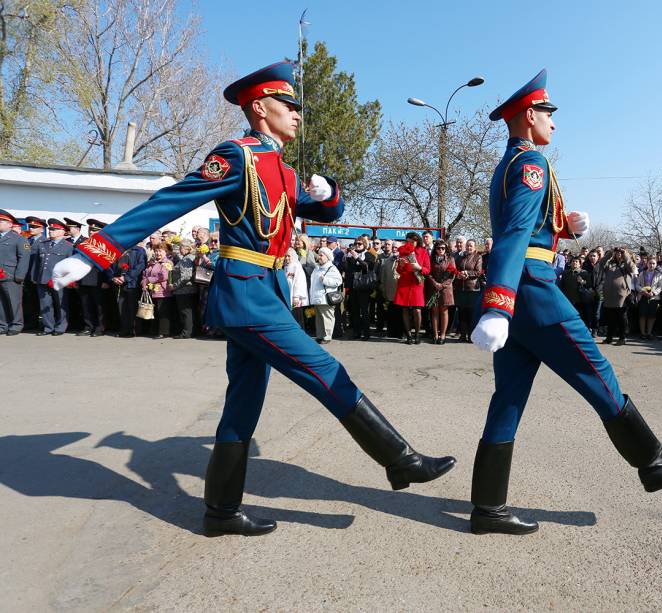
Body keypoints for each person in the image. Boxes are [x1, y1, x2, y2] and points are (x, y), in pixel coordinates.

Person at [52, 61, 455, 536]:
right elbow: (174, 199)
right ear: (260, 108)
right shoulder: (237, 156)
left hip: (268, 289)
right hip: (245, 291)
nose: (298, 114)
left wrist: (329, 199)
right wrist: (97, 250)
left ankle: (220, 512)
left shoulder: (280, 168)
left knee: (243, 402)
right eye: (289, 105)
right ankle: (399, 458)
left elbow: (312, 207)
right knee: (326, 370)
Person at [468, 69, 662, 535]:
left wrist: (563, 229)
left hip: (522, 288)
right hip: (533, 290)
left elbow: (526, 229)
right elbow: (513, 234)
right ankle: (653, 460)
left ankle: (487, 508)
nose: (554, 123)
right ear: (530, 114)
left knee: (508, 400)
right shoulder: (532, 165)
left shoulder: (512, 163)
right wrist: (499, 303)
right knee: (598, 371)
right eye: (549, 113)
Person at [32, 218, 73, 335]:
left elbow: (70, 265)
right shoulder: (43, 245)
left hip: (58, 281)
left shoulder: (68, 247)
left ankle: (60, 327)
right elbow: (37, 264)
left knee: (61, 305)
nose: (51, 231)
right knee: (45, 305)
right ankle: (48, 327)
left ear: (63, 231)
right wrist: (35, 278)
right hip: (43, 279)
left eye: (54, 229)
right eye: (50, 229)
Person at [393, 231, 430, 345]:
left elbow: (428, 270)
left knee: (417, 310)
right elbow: (399, 270)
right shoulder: (403, 252)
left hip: (417, 284)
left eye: (412, 242)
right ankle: (408, 335)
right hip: (404, 283)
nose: (410, 244)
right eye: (408, 241)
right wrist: (402, 266)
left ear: (417, 241)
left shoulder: (423, 252)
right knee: (404, 309)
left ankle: (417, 334)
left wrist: (419, 268)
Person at [0, 209, 30, 335]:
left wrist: (19, 276)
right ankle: (3, 325)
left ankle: (16, 325)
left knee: (13, 302)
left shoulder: (18, 239)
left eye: (1, 221)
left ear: (10, 224)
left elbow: (24, 258)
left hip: (10, 275)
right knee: (1, 303)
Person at [111, 241, 147, 338]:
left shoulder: (139, 250)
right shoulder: (117, 250)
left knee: (132, 308)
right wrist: (113, 277)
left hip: (132, 284)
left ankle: (133, 330)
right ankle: (124, 329)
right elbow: (110, 266)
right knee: (121, 307)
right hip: (119, 284)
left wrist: (126, 278)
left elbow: (140, 266)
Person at [601, 247, 637, 345]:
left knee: (621, 318)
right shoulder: (610, 264)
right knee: (610, 318)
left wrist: (625, 254)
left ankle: (622, 338)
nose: (619, 254)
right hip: (609, 295)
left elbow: (633, 268)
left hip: (622, 296)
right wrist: (610, 253)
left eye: (621, 253)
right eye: (617, 253)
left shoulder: (627, 265)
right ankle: (609, 338)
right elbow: (601, 265)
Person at [343, 236, 376, 341]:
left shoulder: (368, 255)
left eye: (360, 244)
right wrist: (346, 258)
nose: (357, 245)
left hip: (363, 286)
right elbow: (347, 269)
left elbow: (367, 267)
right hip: (353, 286)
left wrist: (357, 257)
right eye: (356, 243)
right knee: (354, 311)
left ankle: (366, 333)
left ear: (364, 244)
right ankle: (356, 332)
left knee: (364, 311)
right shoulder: (351, 255)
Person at [426, 239, 458, 344]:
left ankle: (443, 335)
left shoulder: (450, 259)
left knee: (444, 311)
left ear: (446, 249)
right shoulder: (431, 259)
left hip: (445, 289)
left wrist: (442, 285)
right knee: (434, 311)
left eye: (443, 248)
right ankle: (435, 335)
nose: (441, 250)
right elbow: (428, 272)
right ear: (435, 249)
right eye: (438, 248)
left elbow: (452, 275)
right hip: (433, 287)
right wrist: (435, 283)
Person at [454, 239, 484, 343]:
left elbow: (478, 272)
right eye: (467, 246)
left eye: (471, 246)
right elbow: (456, 269)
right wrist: (459, 274)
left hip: (472, 289)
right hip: (460, 288)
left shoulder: (478, 257)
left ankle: (471, 335)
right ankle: (462, 335)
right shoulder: (460, 257)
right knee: (462, 312)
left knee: (471, 313)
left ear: (475, 247)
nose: (469, 248)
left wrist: (467, 273)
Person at [172, 240, 199, 339]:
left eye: (181, 248)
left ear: (187, 248)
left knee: (186, 312)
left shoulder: (186, 259)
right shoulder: (189, 258)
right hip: (189, 289)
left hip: (185, 290)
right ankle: (192, 331)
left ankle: (187, 332)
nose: (180, 250)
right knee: (190, 311)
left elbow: (186, 276)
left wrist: (175, 286)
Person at [635, 257, 662, 340]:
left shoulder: (659, 274)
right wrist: (643, 291)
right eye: (650, 263)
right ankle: (643, 333)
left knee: (652, 316)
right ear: (647, 264)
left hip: (653, 297)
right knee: (642, 315)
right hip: (643, 296)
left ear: (656, 265)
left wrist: (653, 293)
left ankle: (649, 333)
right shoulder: (642, 273)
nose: (651, 265)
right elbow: (637, 285)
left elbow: (661, 286)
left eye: (653, 263)